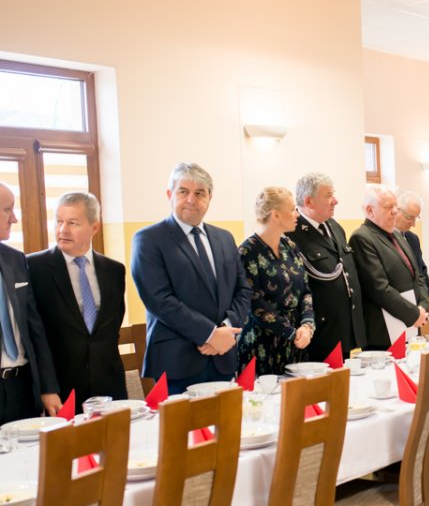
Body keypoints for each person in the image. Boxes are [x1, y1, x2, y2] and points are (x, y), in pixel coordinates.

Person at [130, 163, 252, 395]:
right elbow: (159, 300)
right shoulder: (148, 239)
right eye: (183, 191)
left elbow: (243, 290)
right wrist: (210, 334)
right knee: (180, 431)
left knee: (226, 428)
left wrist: (226, 330)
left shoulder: (224, 238)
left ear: (209, 198)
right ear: (170, 195)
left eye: (199, 193)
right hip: (176, 360)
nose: (191, 199)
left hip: (223, 356)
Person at [28, 192, 127, 407]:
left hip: (109, 385)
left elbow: (113, 325)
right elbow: (33, 334)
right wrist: (47, 387)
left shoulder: (114, 270)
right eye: (59, 221)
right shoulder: (34, 268)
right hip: (61, 389)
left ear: (94, 227)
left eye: (72, 223)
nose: (63, 230)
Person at [287, 173, 365, 361]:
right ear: (309, 201)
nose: (335, 201)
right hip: (319, 333)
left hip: (344, 328)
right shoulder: (292, 234)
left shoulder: (334, 227)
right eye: (328, 195)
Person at [237, 187, 314, 375]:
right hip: (263, 342)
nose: (297, 214)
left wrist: (307, 325)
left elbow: (305, 289)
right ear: (276, 215)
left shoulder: (290, 245)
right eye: (292, 209)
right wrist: (290, 332)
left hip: (297, 341)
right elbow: (254, 302)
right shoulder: (248, 251)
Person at [0, 185, 60, 423]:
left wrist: (48, 387)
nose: (14, 218)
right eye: (7, 209)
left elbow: (35, 329)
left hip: (23, 386)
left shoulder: (15, 260)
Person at [350, 186, 429, 349]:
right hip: (383, 333)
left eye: (396, 206)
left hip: (409, 327)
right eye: (388, 207)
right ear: (370, 210)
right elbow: (379, 288)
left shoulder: (397, 236)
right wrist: (414, 314)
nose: (395, 211)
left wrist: (422, 305)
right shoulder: (362, 237)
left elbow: (418, 275)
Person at [396, 190, 429, 297]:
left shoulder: (413, 239)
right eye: (410, 218)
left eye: (416, 218)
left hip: (420, 304)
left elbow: (422, 271)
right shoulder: (384, 239)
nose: (413, 224)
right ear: (397, 211)